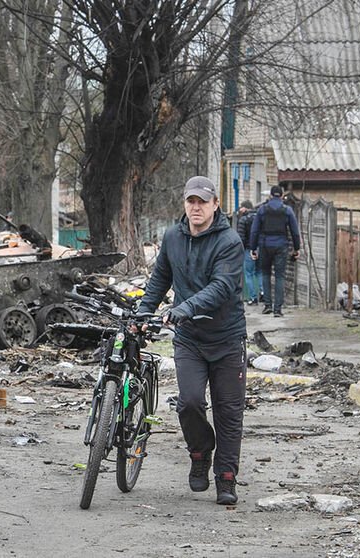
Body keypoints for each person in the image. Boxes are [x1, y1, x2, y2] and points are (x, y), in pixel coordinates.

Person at [137, 176, 246, 505]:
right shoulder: (173, 236)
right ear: (185, 204)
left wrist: (183, 307)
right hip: (190, 340)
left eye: (203, 201)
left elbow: (221, 288)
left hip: (227, 339)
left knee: (229, 412)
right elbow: (160, 278)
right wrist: (143, 314)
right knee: (189, 402)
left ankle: (226, 478)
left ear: (215, 204)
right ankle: (200, 454)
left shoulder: (229, 242)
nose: (196, 207)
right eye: (191, 202)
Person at [249, 185, 301, 318]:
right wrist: (297, 248)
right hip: (281, 246)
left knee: (265, 274)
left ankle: (267, 305)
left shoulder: (262, 210)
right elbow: (295, 232)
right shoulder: (287, 210)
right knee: (279, 276)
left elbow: (254, 231)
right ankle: (277, 309)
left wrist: (253, 248)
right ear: (282, 195)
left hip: (265, 245)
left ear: (270, 195)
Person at [235, 200, 262, 304]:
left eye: (241, 208)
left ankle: (252, 297)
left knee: (248, 274)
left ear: (245, 208)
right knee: (259, 272)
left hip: (248, 249)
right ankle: (263, 292)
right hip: (261, 249)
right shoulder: (260, 218)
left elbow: (241, 237)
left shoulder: (243, 220)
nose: (240, 210)